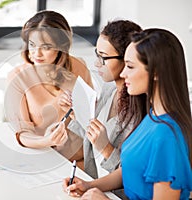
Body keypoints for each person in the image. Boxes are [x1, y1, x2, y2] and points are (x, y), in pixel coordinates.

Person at [62, 28, 192, 199]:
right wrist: (89, 185)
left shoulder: (166, 136)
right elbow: (129, 170)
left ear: (156, 73)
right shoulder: (153, 117)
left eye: (130, 66)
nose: (123, 73)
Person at [4, 10, 93, 166]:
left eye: (46, 47)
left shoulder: (78, 66)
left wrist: (77, 111)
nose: (36, 53)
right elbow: (22, 134)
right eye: (32, 45)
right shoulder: (18, 77)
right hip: (43, 158)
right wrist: (46, 140)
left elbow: (92, 118)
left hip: (80, 159)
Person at [59, 20, 146, 179]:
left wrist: (106, 148)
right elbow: (91, 142)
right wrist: (76, 116)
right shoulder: (109, 89)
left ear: (127, 58)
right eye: (97, 55)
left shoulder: (142, 112)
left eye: (104, 57)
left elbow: (136, 176)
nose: (97, 63)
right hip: (94, 184)